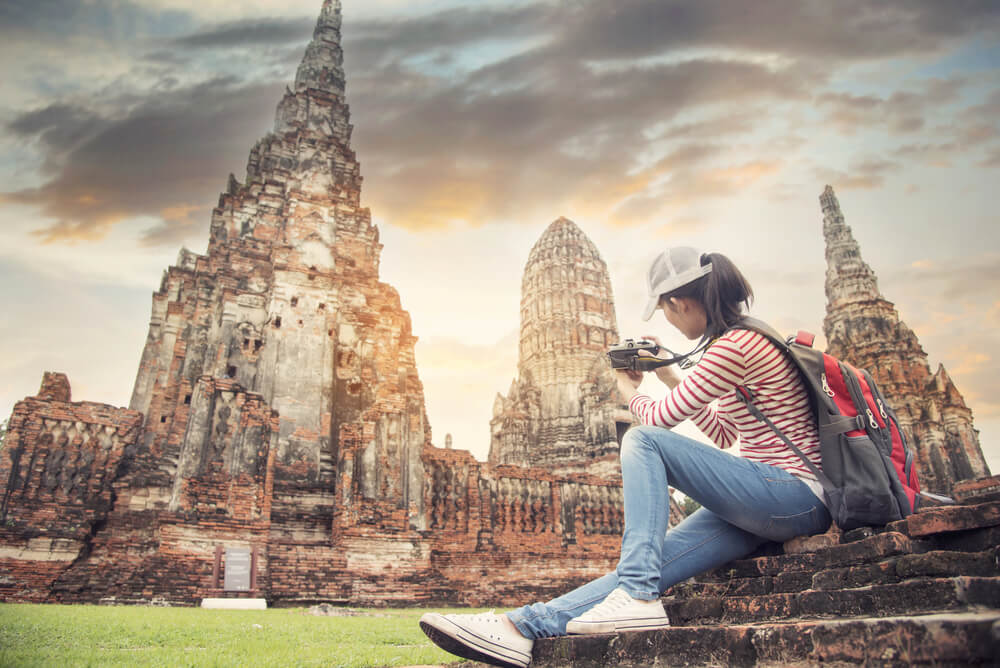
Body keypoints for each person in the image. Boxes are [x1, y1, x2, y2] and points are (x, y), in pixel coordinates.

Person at [419, 246, 832, 668]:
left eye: (666, 311)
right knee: (650, 564)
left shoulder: (737, 344)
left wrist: (624, 387)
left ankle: (637, 596)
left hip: (797, 493)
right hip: (768, 502)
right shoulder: (735, 344)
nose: (669, 320)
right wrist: (667, 370)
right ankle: (521, 628)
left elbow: (658, 419)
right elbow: (724, 434)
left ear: (679, 302)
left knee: (643, 441)